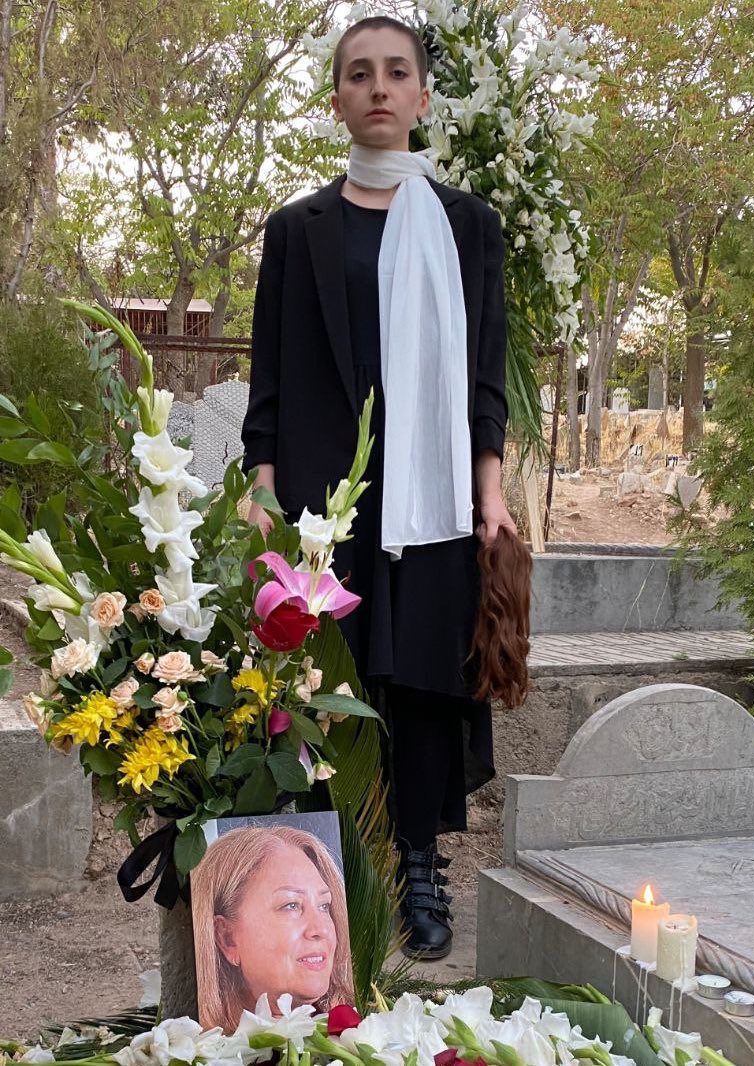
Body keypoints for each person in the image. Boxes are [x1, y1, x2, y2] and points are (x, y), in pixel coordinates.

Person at [241, 15, 516, 959]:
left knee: (424, 683)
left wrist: (491, 492)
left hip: (433, 499)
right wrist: (262, 487)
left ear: (423, 95)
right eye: (359, 74)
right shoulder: (296, 231)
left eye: (397, 72)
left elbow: (484, 375)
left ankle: (420, 866)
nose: (379, 88)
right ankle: (327, 873)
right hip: (326, 499)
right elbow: (269, 374)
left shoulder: (470, 227)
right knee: (326, 680)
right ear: (337, 100)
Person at [191, 825, 353, 1033]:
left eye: (324, 906)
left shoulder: (361, 1030)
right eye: (291, 905)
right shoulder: (193, 1051)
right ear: (227, 938)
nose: (320, 929)